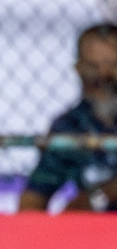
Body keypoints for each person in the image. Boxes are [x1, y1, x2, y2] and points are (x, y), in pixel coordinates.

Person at [19, 24, 117, 213]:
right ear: (78, 69)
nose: (104, 75)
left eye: (113, 65)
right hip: (96, 233)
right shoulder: (71, 125)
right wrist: (101, 196)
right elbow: (33, 201)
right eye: (93, 67)